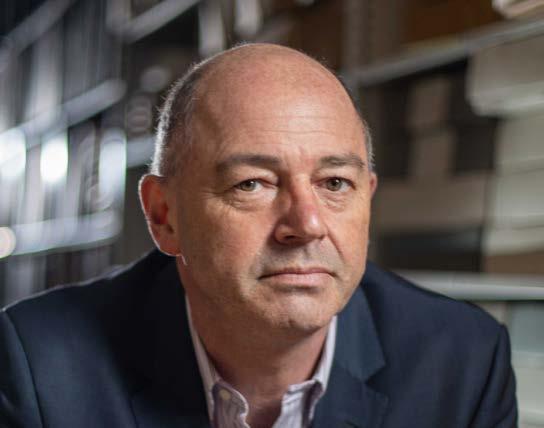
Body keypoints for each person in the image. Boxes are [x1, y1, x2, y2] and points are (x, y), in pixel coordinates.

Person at [0, 44, 516, 428]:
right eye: (252, 184)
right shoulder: (38, 367)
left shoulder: (464, 361)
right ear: (164, 216)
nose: (307, 224)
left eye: (335, 183)